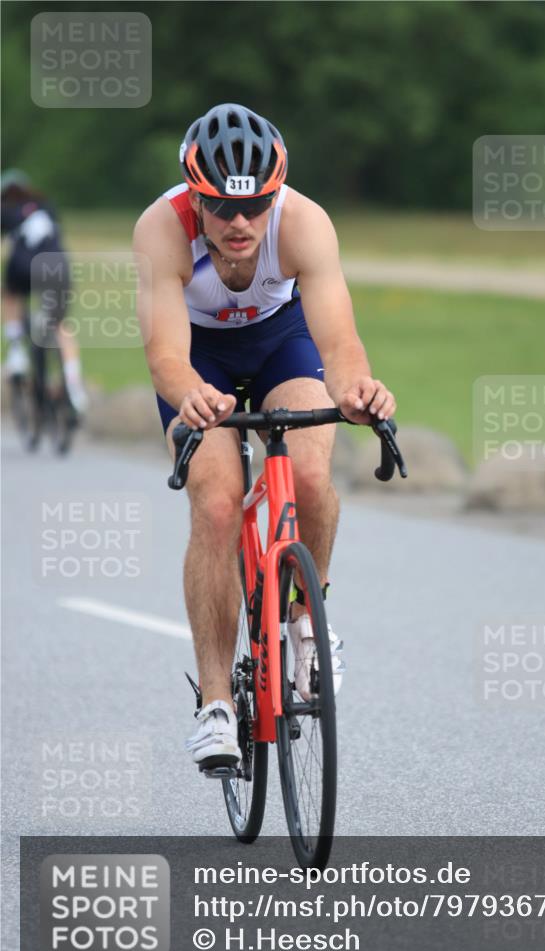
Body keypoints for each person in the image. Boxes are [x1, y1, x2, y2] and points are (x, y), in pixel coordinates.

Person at [133, 103, 396, 770]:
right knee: (218, 503)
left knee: (308, 473)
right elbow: (165, 356)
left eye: (255, 206)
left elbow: (340, 345)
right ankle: (217, 704)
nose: (241, 223)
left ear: (275, 194)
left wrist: (358, 392)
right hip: (200, 359)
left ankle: (307, 622)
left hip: (283, 343)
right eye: (223, 207)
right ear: (196, 197)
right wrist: (190, 395)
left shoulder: (304, 222)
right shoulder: (161, 230)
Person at [1, 170, 87, 412]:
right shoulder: (46, 206)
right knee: (60, 325)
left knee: (10, 295)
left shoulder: (6, 209)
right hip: (56, 265)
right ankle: (74, 382)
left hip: (22, 267)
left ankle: (16, 351)